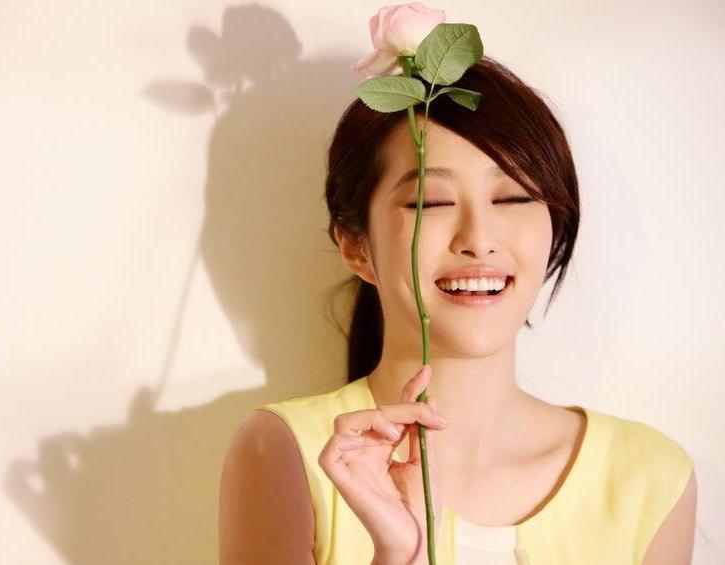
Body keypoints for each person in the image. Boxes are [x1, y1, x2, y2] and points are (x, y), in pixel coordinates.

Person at [219, 56, 696, 565]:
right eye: (431, 202)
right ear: (357, 246)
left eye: (513, 198)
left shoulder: (650, 477)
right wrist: (399, 554)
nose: (479, 239)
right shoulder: (289, 450)